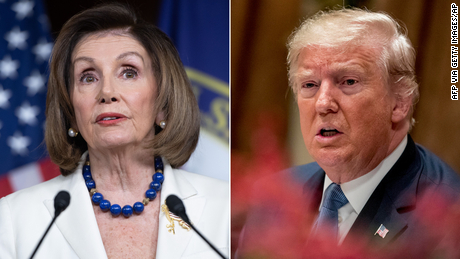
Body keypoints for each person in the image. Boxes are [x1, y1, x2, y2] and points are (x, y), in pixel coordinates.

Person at [0, 4, 229, 259]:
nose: (107, 92)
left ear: (162, 104)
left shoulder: (224, 207)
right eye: (88, 77)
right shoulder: (13, 219)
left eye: (128, 72)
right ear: (71, 111)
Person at [237, 7, 460, 257]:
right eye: (309, 84)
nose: (323, 103)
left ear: (400, 102)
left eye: (349, 81)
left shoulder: (446, 218)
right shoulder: (270, 197)